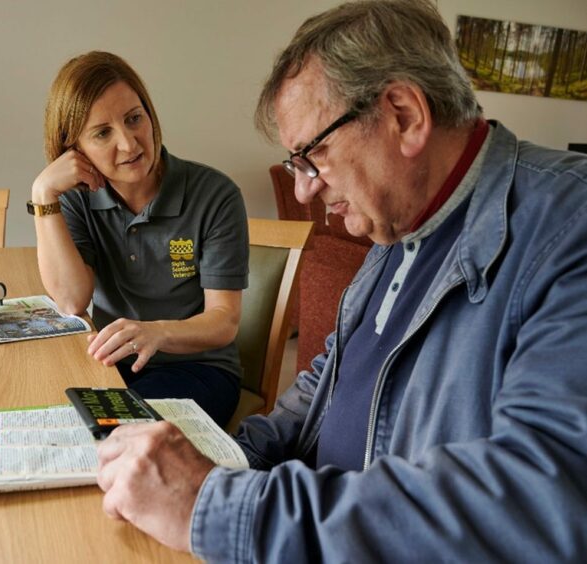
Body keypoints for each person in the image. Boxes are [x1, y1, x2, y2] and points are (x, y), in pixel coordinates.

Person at [95, 1, 587, 561]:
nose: (304, 190)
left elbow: (538, 503)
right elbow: (326, 382)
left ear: (403, 114)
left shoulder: (570, 227)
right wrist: (223, 458)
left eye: (313, 155)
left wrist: (217, 504)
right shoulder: (400, 226)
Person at [30, 51, 249, 427]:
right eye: (103, 133)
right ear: (75, 149)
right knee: (41, 414)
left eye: (134, 119)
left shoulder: (215, 194)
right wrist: (43, 194)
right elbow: (70, 300)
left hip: (198, 370)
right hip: (112, 367)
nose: (130, 145)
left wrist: (156, 332)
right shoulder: (75, 200)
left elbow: (224, 321)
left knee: (113, 436)